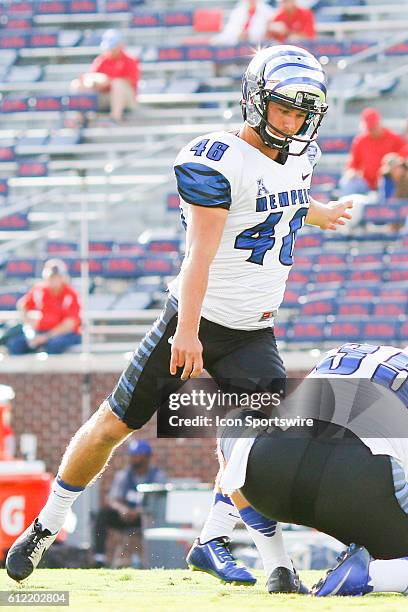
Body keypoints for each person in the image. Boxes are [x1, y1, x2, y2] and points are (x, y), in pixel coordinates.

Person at [5, 45, 352, 586]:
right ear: (255, 101)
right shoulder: (219, 160)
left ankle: (220, 543)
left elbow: (281, 194)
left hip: (252, 330)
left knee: (260, 438)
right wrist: (187, 332)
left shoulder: (299, 156)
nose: (295, 121)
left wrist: (318, 210)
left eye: (305, 111)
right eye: (285, 108)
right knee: (113, 425)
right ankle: (46, 525)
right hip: (195, 320)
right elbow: (199, 255)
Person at [217, 342, 408, 596]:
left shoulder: (344, 351)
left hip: (270, 472)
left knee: (236, 425)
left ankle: (277, 568)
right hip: (358, 484)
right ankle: (370, 576)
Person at [93, 439, 166, 568]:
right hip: (125, 517)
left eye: (138, 455)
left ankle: (154, 561)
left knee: (155, 520)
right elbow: (113, 499)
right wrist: (122, 509)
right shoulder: (124, 475)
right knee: (103, 514)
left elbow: (160, 503)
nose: (134, 459)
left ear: (147, 457)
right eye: (132, 455)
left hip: (146, 519)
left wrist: (139, 512)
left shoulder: (157, 476)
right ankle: (99, 557)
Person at [6, 259, 81, 355]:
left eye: (56, 277)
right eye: (51, 277)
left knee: (54, 345)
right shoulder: (40, 290)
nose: (53, 280)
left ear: (63, 277)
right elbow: (22, 305)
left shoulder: (71, 294)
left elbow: (69, 325)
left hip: (65, 334)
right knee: (16, 344)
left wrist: (45, 337)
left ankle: (51, 370)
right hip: (42, 331)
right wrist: (29, 326)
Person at [71, 29, 140, 123]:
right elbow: (89, 79)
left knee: (118, 84)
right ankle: (80, 119)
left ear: (120, 46)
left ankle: (115, 118)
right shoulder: (101, 60)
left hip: (127, 100)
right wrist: (94, 82)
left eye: (113, 47)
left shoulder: (130, 60)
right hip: (105, 97)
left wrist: (108, 82)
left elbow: (131, 82)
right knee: (77, 84)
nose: (111, 50)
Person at [339, 108, 406, 197]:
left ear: (379, 123)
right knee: (348, 182)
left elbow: (404, 158)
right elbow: (352, 165)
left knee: (385, 179)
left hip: (388, 182)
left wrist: (393, 167)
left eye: (374, 126)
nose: (372, 130)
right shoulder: (361, 140)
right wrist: (352, 172)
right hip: (366, 183)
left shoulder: (393, 138)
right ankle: (344, 209)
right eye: (370, 128)